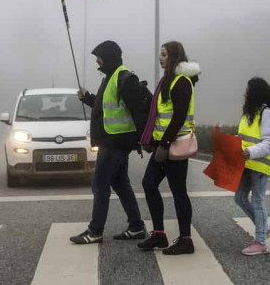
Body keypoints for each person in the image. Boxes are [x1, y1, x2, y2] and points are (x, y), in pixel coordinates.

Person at [69, 40, 146, 244]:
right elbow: (105, 106)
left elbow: (137, 111)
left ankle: (95, 231)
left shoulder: (124, 78)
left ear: (109, 57)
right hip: (111, 140)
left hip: (116, 142)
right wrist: (87, 98)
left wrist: (140, 140)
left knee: (100, 184)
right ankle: (137, 226)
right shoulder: (111, 78)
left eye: (99, 57)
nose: (97, 61)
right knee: (120, 184)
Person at [137, 41, 200, 255]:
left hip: (175, 146)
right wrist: (154, 141)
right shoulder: (167, 80)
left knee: (178, 192)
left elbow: (179, 116)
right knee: (149, 184)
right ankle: (159, 234)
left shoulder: (181, 82)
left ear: (173, 56)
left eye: (163, 54)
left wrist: (163, 143)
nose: (160, 58)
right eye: (160, 54)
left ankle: (186, 240)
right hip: (162, 146)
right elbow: (161, 116)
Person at [234, 77, 270, 256]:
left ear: (254, 92)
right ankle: (264, 227)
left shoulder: (267, 113)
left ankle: (261, 242)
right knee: (240, 197)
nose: (244, 93)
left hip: (259, 164)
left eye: (247, 90)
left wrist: (250, 151)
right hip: (247, 163)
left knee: (257, 201)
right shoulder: (250, 112)